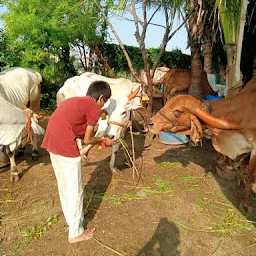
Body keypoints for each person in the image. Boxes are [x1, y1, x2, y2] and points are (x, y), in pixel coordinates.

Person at [42, 80, 116, 243]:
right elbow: (88, 139)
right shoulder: (93, 107)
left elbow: (80, 133)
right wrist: (103, 140)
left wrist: (102, 141)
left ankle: (73, 217)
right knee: (75, 189)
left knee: (64, 185)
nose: (103, 106)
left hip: (51, 143)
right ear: (101, 97)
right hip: (65, 147)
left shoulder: (74, 101)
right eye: (106, 101)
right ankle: (75, 233)